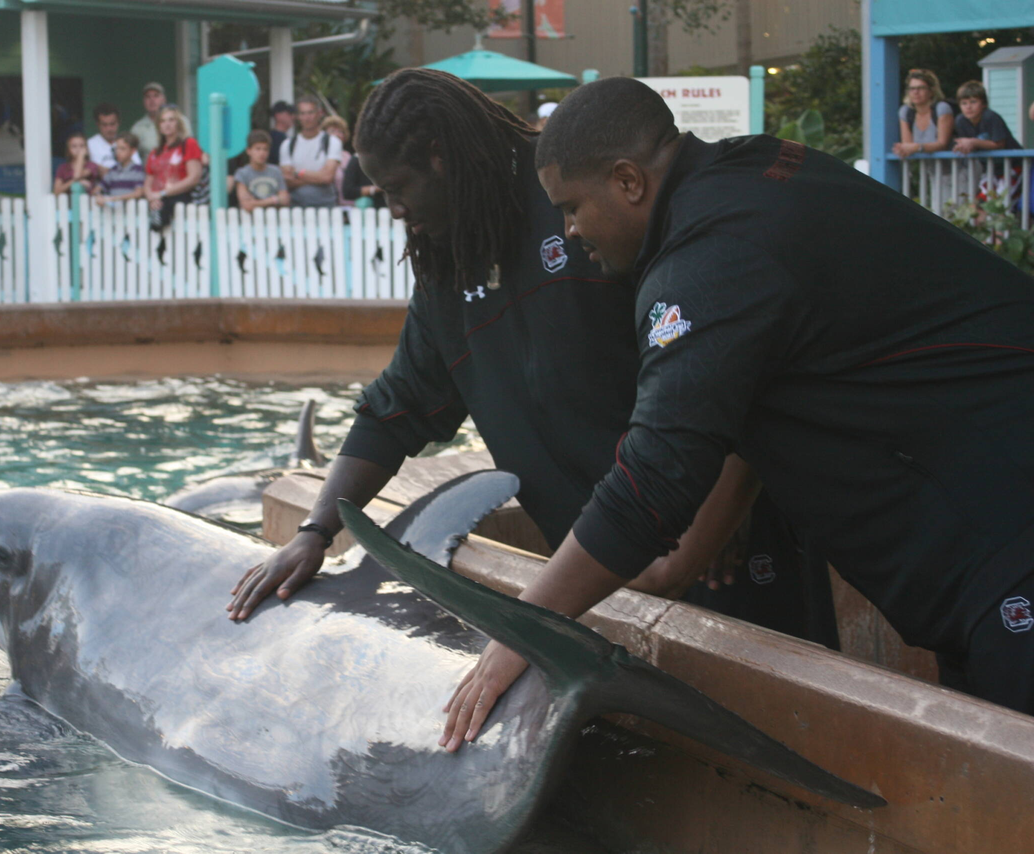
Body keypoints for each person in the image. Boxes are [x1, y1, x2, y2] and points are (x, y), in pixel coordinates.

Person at [435, 75, 1034, 739]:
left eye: (573, 207)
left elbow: (654, 478)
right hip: (981, 553)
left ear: (628, 181)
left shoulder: (708, 259)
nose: (569, 230)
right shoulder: (755, 170)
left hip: (1005, 540)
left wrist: (522, 631)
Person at [227, 70, 834, 703]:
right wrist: (316, 531)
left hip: (720, 547)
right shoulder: (449, 260)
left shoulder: (583, 191)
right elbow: (397, 406)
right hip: (600, 568)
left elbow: (736, 367)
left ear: (440, 158)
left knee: (778, 724)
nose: (394, 209)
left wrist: (705, 531)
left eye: (399, 188)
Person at [145, 105, 204, 231]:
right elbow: (148, 180)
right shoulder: (155, 152)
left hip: (182, 205)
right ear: (159, 126)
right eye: (163, 121)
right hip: (158, 204)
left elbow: (194, 177)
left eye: (171, 120)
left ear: (179, 123)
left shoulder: (188, 143)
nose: (167, 124)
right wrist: (152, 198)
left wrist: (162, 193)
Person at [279, 96, 343, 208]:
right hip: (296, 207)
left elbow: (327, 177)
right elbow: (287, 180)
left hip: (326, 206)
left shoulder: (332, 142)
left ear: (320, 114)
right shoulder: (288, 145)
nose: (307, 118)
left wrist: (298, 173)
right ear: (298, 116)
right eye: (303, 113)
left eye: (310, 113)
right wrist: (318, 176)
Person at [893, 69, 953, 157]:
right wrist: (901, 149)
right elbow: (908, 146)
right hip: (924, 165)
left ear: (931, 91)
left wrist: (919, 147)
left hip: (952, 164)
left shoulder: (941, 108)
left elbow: (942, 144)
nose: (915, 92)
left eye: (921, 88)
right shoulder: (906, 112)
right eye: (912, 88)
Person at [952, 81, 1016, 153]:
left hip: (1014, 158)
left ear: (984, 103)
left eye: (973, 102)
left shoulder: (990, 117)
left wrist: (974, 142)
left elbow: (1000, 144)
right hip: (986, 160)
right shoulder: (960, 120)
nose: (968, 107)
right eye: (964, 103)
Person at [234, 130, 289, 212]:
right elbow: (246, 205)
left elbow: (285, 199)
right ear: (248, 151)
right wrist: (274, 199)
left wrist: (255, 203)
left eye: (265, 149)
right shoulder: (242, 173)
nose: (262, 153)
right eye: (258, 149)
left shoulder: (276, 171)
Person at [93, 133, 146, 207]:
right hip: (112, 212)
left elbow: (138, 193)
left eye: (122, 148)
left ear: (133, 151)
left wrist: (115, 199)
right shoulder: (113, 170)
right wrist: (98, 195)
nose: (118, 152)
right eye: (116, 148)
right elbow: (97, 189)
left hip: (131, 212)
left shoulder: (138, 170)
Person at [88, 102, 140, 170]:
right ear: (98, 125)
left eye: (112, 124)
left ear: (118, 123)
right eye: (104, 125)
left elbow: (137, 166)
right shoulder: (89, 144)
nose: (109, 129)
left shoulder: (127, 141)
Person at [321, 115, 354, 207]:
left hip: (347, 205)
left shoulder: (347, 156)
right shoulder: (320, 155)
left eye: (340, 131)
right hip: (325, 204)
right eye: (332, 131)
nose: (337, 134)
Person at [131, 82, 168, 155]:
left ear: (163, 100)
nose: (152, 100)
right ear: (144, 101)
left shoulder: (179, 122)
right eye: (148, 97)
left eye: (156, 96)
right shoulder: (137, 128)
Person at [268, 100, 295, 166]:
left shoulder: (281, 136)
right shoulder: (275, 138)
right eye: (289, 113)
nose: (293, 117)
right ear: (278, 115)